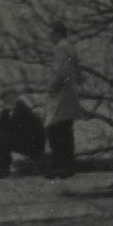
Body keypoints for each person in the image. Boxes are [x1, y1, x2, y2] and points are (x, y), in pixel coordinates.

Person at [44, 22, 81, 177]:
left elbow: (62, 71)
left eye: (51, 33)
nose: (49, 37)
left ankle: (60, 165)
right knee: (65, 128)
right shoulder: (71, 47)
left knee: (54, 129)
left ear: (57, 33)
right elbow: (76, 71)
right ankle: (67, 165)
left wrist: (52, 86)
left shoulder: (60, 48)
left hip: (61, 93)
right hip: (70, 91)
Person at [0, 91, 46, 179]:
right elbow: (2, 127)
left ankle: (3, 169)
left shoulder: (22, 109)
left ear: (16, 97)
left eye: (9, 98)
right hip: (29, 142)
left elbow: (13, 128)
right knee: (3, 136)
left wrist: (5, 112)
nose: (7, 101)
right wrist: (4, 112)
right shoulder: (13, 110)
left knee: (3, 138)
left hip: (34, 144)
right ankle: (2, 168)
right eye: (5, 100)